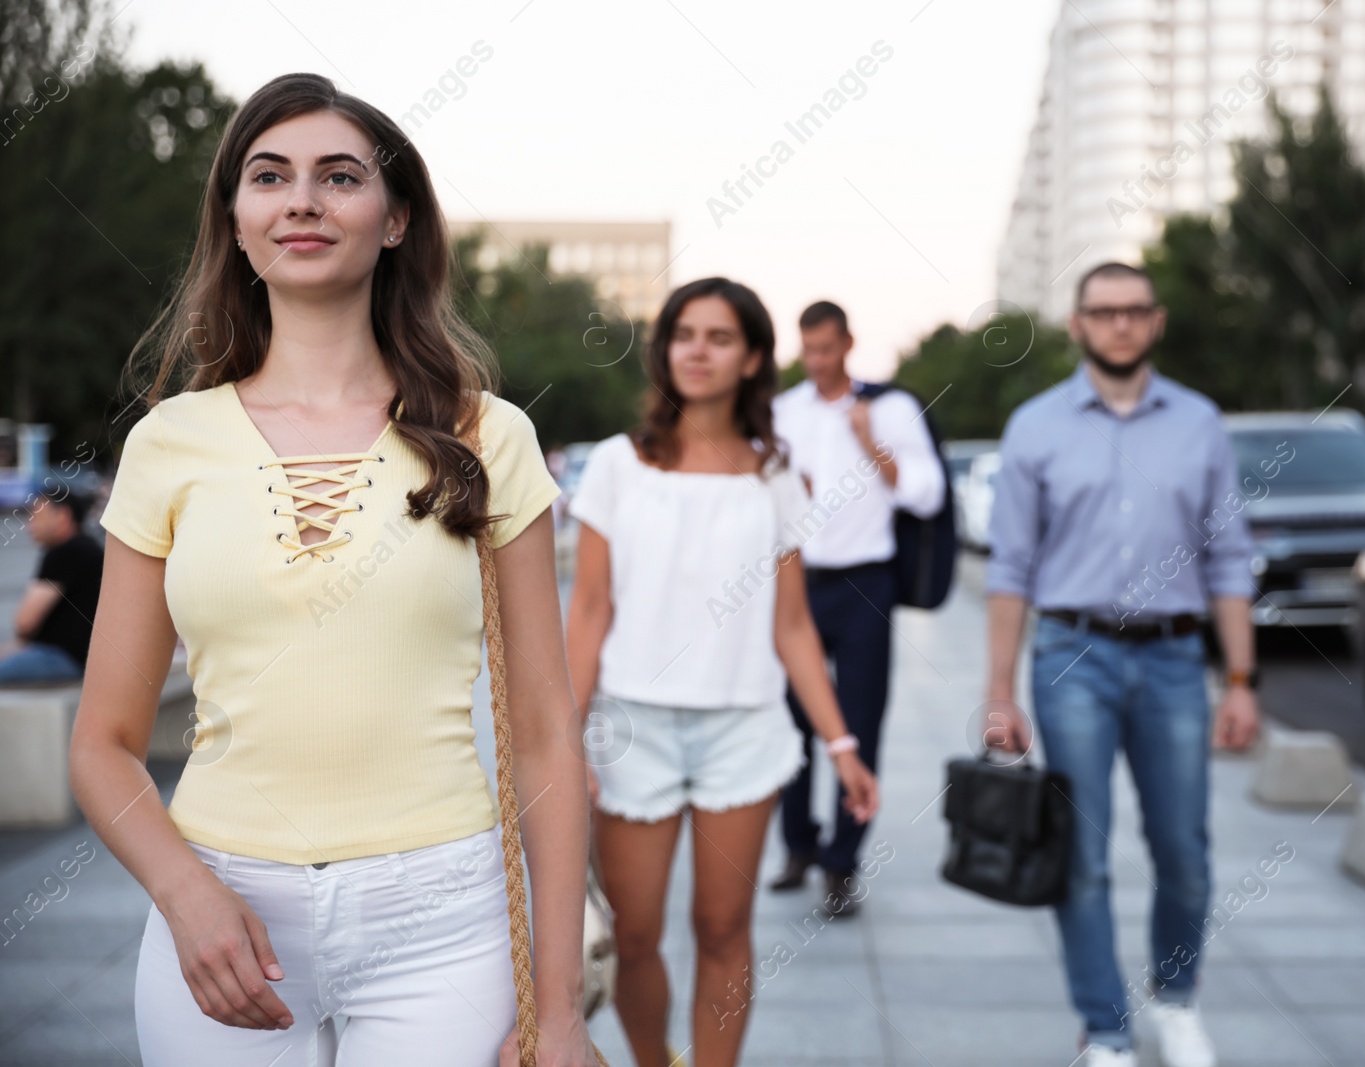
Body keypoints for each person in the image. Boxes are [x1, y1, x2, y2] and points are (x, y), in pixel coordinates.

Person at [67, 73, 596, 1067]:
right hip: (220, 918)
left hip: (442, 920)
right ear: (235, 216)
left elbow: (544, 734)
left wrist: (560, 1011)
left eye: (338, 176)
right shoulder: (169, 444)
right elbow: (103, 739)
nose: (301, 198)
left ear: (394, 219)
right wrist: (185, 894)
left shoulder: (488, 436)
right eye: (269, 175)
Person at [565, 277, 878, 1067]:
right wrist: (563, 740)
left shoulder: (776, 473)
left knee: (723, 927)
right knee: (632, 934)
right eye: (684, 334)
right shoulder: (616, 465)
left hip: (744, 729)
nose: (697, 350)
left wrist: (841, 744)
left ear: (751, 360)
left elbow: (794, 624)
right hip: (636, 727)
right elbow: (590, 611)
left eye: (720, 336)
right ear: (665, 349)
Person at [986, 262, 1260, 1067]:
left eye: (1134, 311)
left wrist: (1241, 682)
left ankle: (1175, 1001)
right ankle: (1105, 1027)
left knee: (1183, 848)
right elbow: (1010, 568)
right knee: (1083, 853)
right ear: (1076, 323)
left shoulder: (1200, 423)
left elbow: (1229, 559)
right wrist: (999, 692)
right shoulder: (1035, 426)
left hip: (1176, 659)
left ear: (1157, 320)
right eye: (1103, 312)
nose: (1119, 326)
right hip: (1072, 657)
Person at [767, 300, 943, 915]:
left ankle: (843, 861)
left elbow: (926, 495)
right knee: (792, 720)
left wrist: (872, 445)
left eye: (826, 349)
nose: (817, 361)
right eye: (807, 350)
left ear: (848, 344)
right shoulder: (783, 411)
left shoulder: (889, 409)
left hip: (867, 583)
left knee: (860, 721)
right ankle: (798, 847)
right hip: (799, 586)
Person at [0, 487, 103, 684]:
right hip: (86, 657)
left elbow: (25, 623)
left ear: (62, 515)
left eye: (35, 516)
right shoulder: (89, 547)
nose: (29, 525)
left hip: (64, 658)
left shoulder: (66, 552)